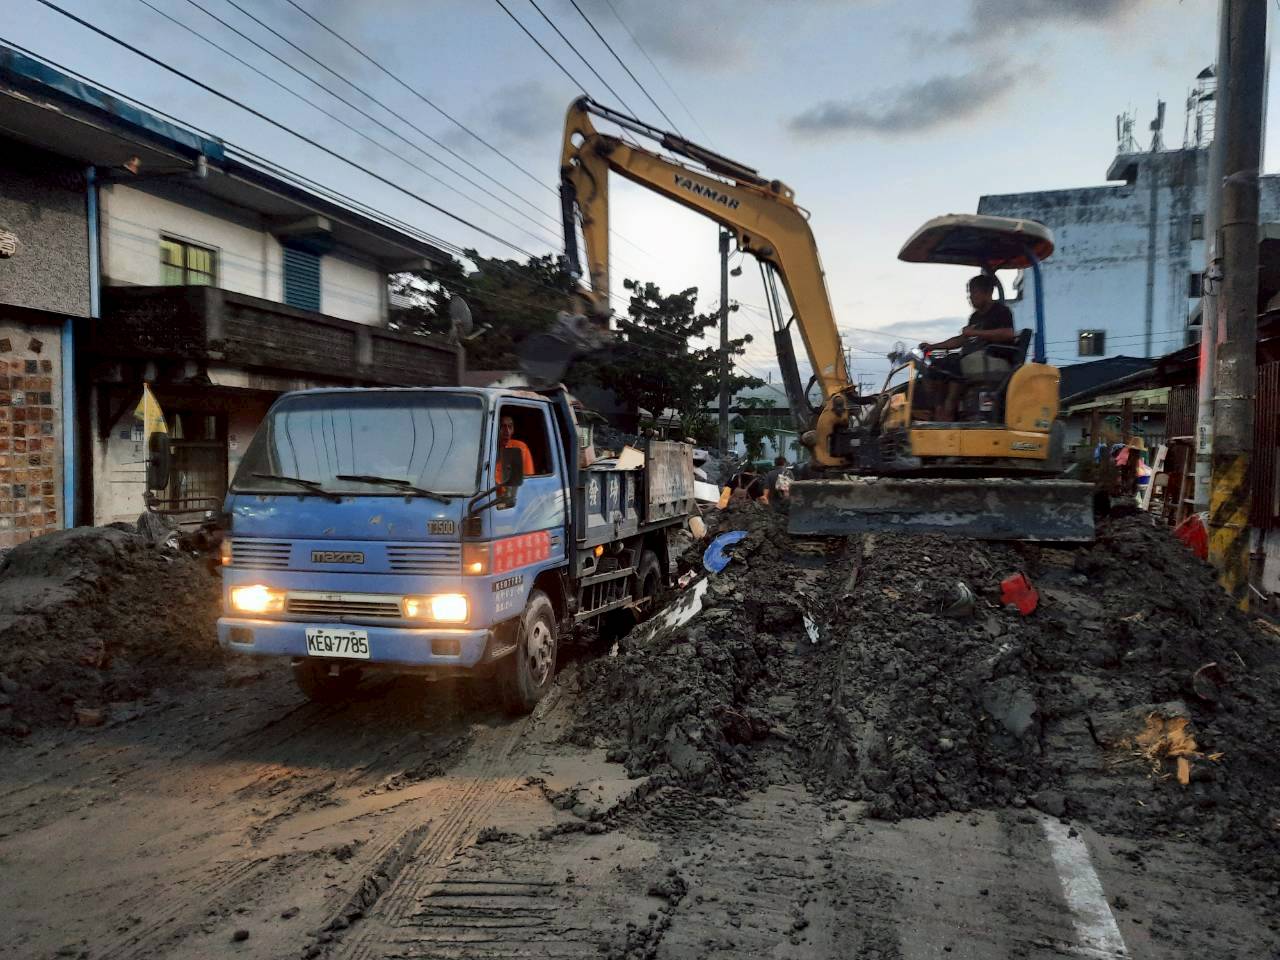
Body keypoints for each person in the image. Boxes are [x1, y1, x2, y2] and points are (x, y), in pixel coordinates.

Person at [920, 275, 1017, 421]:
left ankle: (948, 410)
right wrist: (932, 346)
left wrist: (975, 332)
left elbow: (1008, 334)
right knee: (934, 367)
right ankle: (937, 410)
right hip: (975, 356)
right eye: (969, 294)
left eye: (973, 293)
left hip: (996, 356)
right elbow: (961, 340)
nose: (970, 297)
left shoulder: (1001, 311)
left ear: (988, 292)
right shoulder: (975, 317)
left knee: (954, 363)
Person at [496, 414, 535, 483]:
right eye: (503, 426)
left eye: (510, 427)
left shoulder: (520, 448)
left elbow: (528, 480)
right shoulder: (487, 448)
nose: (507, 431)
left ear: (513, 430)